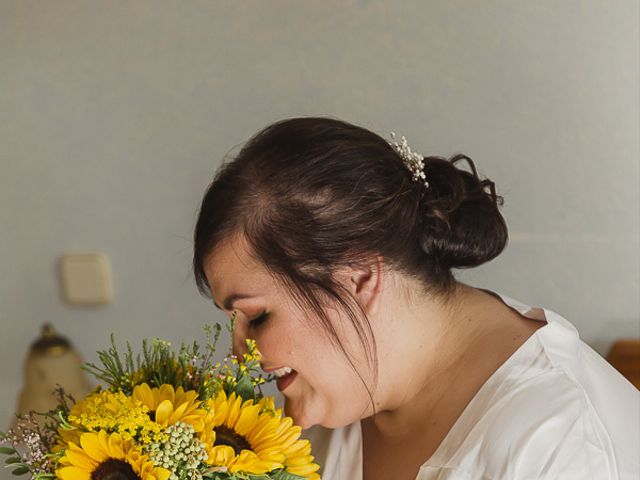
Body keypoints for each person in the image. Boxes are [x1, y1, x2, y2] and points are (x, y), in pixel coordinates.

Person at [192, 117, 639, 479]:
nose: (240, 354)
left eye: (258, 316)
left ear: (360, 280)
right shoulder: (323, 408)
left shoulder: (557, 443)